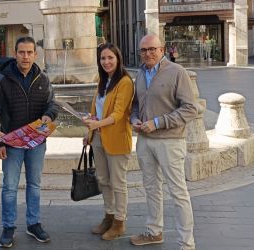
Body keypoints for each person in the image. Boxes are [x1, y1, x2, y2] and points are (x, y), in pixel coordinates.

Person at [129, 34, 198, 249]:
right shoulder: (140, 73)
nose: (148, 53)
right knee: (151, 188)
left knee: (178, 193)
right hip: (144, 140)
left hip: (170, 140)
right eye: (144, 50)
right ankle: (154, 232)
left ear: (162, 49)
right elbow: (135, 104)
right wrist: (134, 119)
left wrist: (158, 122)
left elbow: (190, 109)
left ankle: (187, 244)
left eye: (152, 49)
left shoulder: (177, 72)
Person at [0, 36, 60, 247]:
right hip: (12, 142)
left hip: (36, 143)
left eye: (30, 52)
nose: (26, 56)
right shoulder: (2, 79)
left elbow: (53, 104)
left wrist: (49, 115)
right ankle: (8, 227)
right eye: (22, 52)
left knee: (35, 185)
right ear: (15, 54)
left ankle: (33, 224)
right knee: (9, 187)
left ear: (35, 55)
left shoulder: (43, 78)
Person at [82, 43, 134, 241]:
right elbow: (96, 111)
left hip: (117, 139)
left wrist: (96, 125)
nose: (106, 61)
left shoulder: (125, 82)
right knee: (104, 180)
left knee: (118, 183)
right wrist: (90, 132)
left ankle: (119, 221)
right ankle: (109, 216)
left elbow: (118, 114)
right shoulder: (103, 81)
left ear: (118, 58)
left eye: (110, 57)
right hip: (99, 139)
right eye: (103, 58)